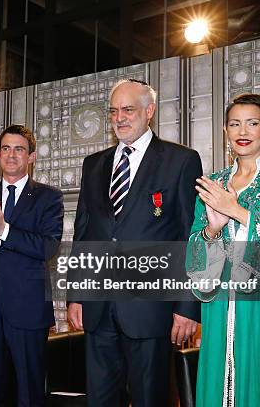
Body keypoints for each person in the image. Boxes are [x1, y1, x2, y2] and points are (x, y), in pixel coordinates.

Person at [67, 79, 202, 407]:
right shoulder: (94, 164)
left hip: (150, 309)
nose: (120, 118)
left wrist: (187, 307)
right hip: (98, 309)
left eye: (128, 109)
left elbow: (190, 237)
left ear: (150, 111)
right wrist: (76, 295)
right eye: (113, 111)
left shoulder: (180, 161)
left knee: (150, 399)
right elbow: (84, 234)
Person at [186, 93, 260, 406]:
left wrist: (237, 212)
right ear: (225, 131)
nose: (243, 131)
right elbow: (196, 260)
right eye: (235, 124)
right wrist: (213, 228)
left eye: (252, 123)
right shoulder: (213, 183)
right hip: (220, 310)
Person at [0, 124, 64, 406]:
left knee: (29, 393)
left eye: (19, 149)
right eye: (6, 148)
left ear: (31, 157)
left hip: (28, 309)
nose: (11, 155)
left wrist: (5, 231)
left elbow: (48, 246)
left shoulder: (49, 197)